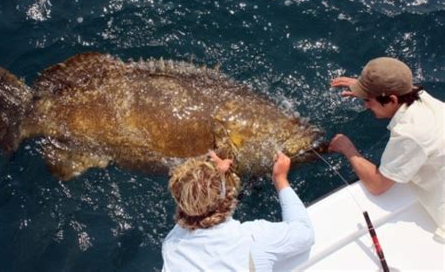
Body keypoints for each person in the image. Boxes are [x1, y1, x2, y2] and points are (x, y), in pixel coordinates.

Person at [329, 57, 444, 237]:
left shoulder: (410, 134)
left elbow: (377, 185)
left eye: (367, 100)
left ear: (391, 99)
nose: (365, 105)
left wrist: (348, 149)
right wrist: (366, 88)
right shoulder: (421, 96)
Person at [161, 150, 314, 272]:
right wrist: (280, 178)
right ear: (224, 195)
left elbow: (198, 203)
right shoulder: (254, 237)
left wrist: (218, 176)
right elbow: (305, 233)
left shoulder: (172, 245)